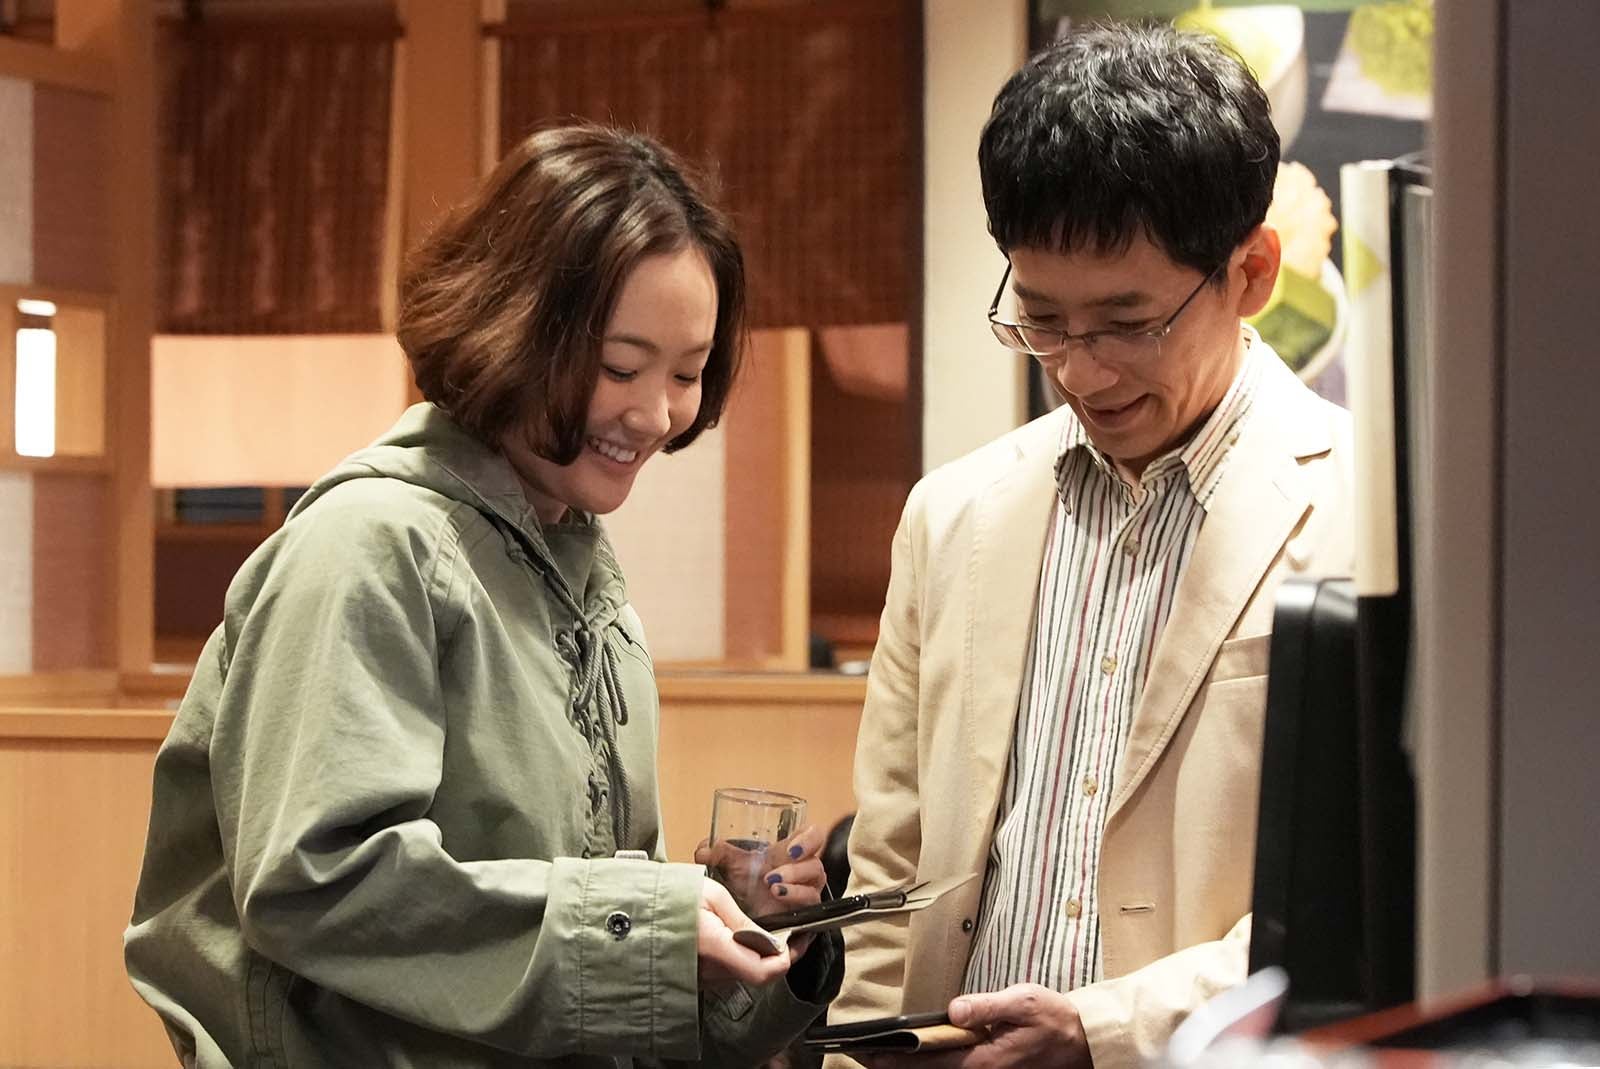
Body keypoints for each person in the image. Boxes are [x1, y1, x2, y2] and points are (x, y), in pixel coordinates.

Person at [124, 123, 841, 1068]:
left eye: (687, 372)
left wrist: (731, 929)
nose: (656, 413)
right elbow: (316, 884)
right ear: (513, 326)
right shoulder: (370, 545)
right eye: (620, 367)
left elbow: (578, 934)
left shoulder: (583, 576)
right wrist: (650, 930)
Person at [831, 22, 1356, 1069]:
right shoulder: (954, 515)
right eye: (1042, 319)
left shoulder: (1362, 508)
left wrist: (1107, 1030)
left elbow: (1362, 896)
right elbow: (891, 878)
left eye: (1126, 323)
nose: (1079, 370)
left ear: (1251, 272)